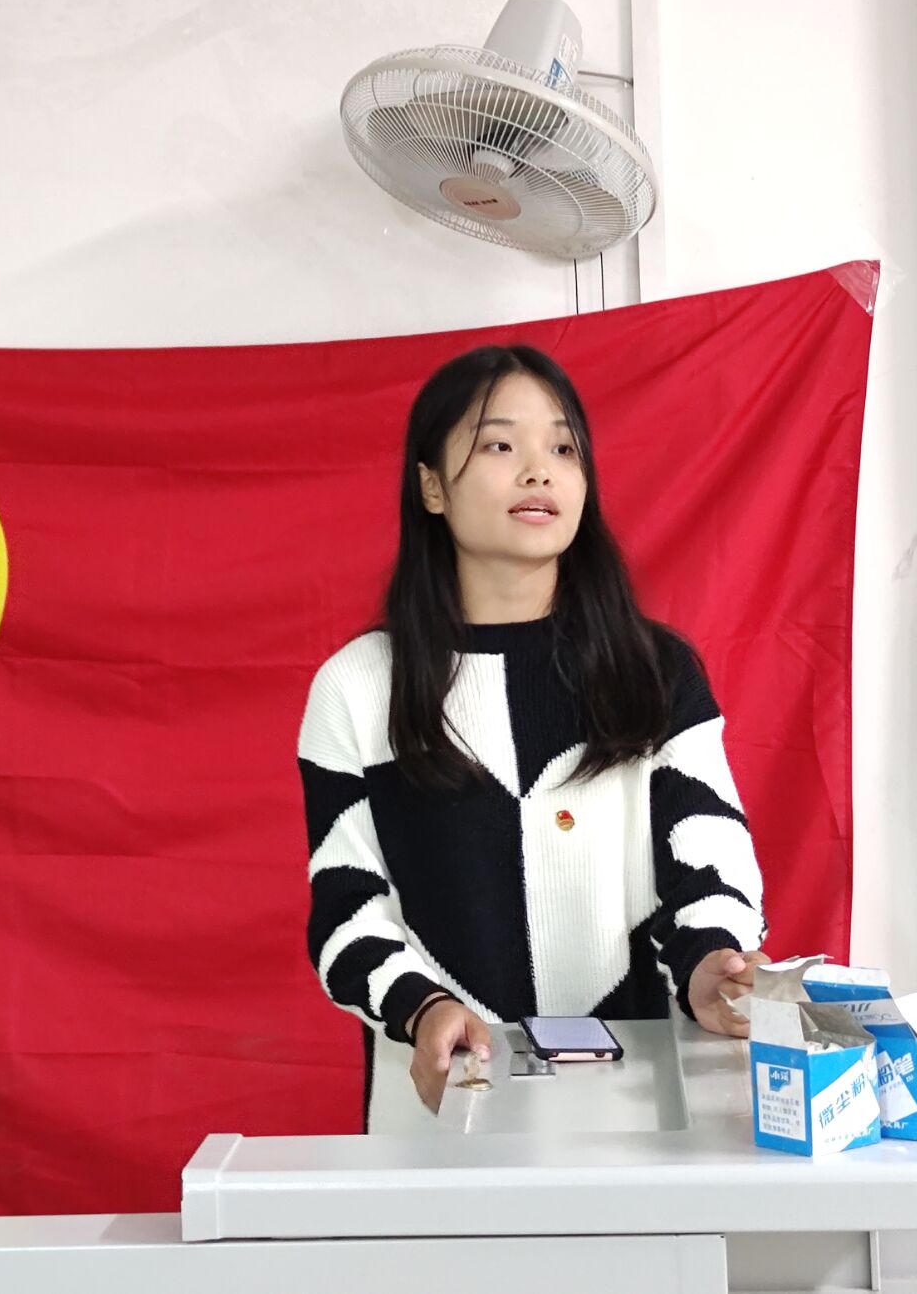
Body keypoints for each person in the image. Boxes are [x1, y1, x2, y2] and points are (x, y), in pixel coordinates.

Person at [296, 344, 770, 1115]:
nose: (538, 471)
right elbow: (347, 908)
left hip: (638, 1119)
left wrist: (711, 960)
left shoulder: (656, 672)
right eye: (498, 445)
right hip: (447, 1112)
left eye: (563, 448)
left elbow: (709, 860)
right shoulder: (359, 685)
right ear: (431, 486)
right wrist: (422, 1007)